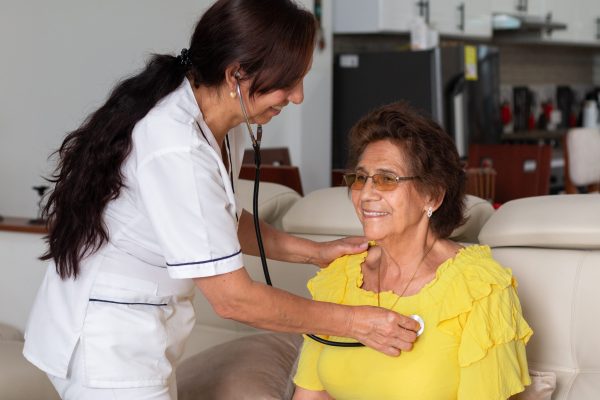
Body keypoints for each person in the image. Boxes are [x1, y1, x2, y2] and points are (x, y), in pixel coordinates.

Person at [22, 1, 420, 399]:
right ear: (236, 75)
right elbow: (233, 300)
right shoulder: (177, 146)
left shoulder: (219, 124)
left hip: (136, 334)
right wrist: (358, 323)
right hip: (107, 345)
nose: (297, 97)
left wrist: (316, 252)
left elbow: (219, 218)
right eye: (288, 82)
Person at [292, 102, 533, 400]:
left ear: (432, 195)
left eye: (386, 179)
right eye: (360, 177)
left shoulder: (480, 289)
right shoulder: (339, 276)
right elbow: (310, 395)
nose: (366, 194)